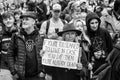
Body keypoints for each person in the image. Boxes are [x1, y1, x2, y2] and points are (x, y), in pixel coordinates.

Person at [7, 11, 45, 80]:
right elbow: (10, 54)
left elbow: (47, 55)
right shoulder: (16, 36)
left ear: (33, 22)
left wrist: (43, 71)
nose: (24, 21)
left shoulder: (41, 36)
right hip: (20, 76)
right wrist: (13, 72)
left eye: (27, 19)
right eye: (23, 19)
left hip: (37, 76)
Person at [0, 11, 18, 80]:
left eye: (10, 18)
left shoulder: (20, 32)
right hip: (4, 66)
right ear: (3, 21)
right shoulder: (1, 34)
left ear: (14, 19)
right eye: (5, 19)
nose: (8, 21)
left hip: (18, 64)